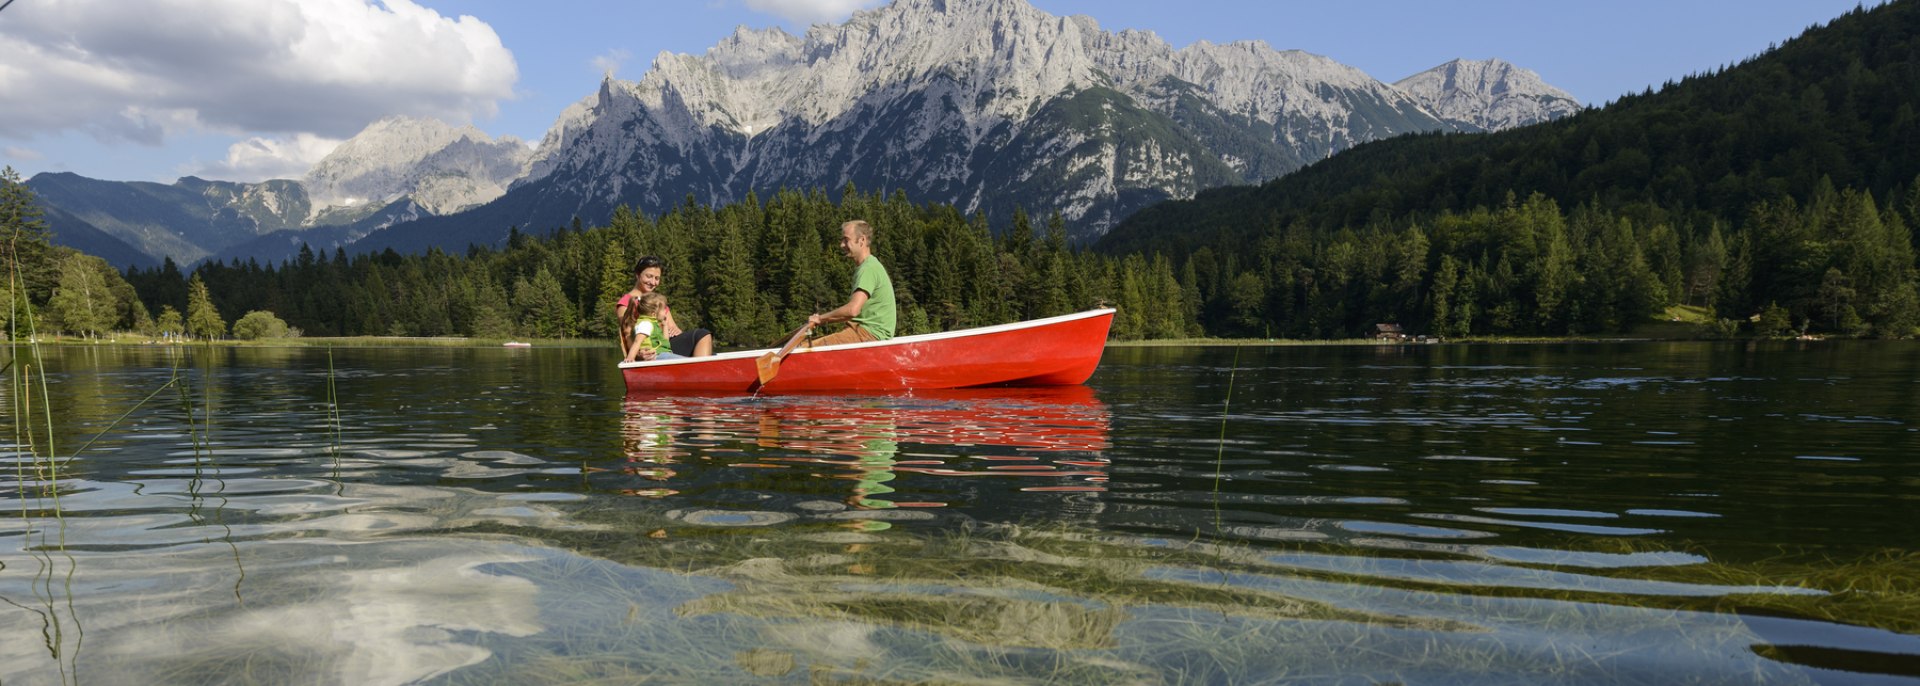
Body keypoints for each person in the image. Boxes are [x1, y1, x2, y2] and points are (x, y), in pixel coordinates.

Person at [806, 219, 895, 347]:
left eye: (846, 240)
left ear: (862, 240)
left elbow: (852, 310)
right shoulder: (870, 265)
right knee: (809, 344)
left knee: (808, 349)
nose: (842, 245)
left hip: (869, 335)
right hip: (865, 332)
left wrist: (820, 318)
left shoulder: (868, 269)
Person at [616, 255, 714, 358]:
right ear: (638, 275)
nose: (653, 282)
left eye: (657, 278)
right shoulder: (625, 303)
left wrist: (670, 329)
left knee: (705, 343)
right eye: (649, 276)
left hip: (667, 344)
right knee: (702, 334)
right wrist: (639, 353)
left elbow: (675, 329)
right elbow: (627, 335)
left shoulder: (658, 301)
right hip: (652, 350)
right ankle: (698, 371)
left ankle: (698, 371)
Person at [621, 292, 684, 362]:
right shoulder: (646, 324)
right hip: (655, 356)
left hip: (662, 354)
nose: (666, 312)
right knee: (684, 361)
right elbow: (637, 341)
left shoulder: (653, 323)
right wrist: (630, 358)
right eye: (664, 309)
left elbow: (665, 341)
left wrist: (665, 325)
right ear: (653, 314)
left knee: (684, 360)